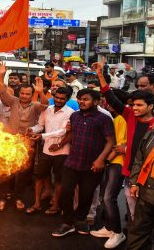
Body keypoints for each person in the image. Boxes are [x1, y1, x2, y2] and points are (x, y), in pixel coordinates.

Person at [95, 61, 154, 222]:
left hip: (150, 179)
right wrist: (100, 75)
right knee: (132, 212)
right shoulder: (130, 115)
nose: (134, 108)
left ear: (150, 106)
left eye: (139, 105)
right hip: (129, 174)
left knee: (148, 215)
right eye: (133, 105)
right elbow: (110, 98)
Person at [52, 89, 115, 237]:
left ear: (96, 101)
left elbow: (111, 141)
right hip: (72, 163)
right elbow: (72, 133)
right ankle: (67, 223)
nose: (81, 101)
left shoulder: (103, 118)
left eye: (85, 99)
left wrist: (101, 160)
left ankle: (80, 220)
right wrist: (60, 145)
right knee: (65, 193)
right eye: (79, 99)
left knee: (86, 196)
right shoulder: (75, 116)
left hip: (92, 166)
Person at [0, 62, 48, 211]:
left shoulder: (35, 105)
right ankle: (3, 198)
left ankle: (18, 197)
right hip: (10, 143)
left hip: (27, 145)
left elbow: (45, 105)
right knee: (6, 172)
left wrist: (41, 92)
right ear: (19, 93)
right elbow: (2, 92)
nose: (24, 96)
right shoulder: (13, 102)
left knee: (23, 174)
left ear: (32, 95)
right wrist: (1, 75)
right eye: (22, 93)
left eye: (28, 94)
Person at [90, 89, 129, 249]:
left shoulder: (121, 119)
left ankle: (118, 232)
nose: (106, 103)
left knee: (108, 198)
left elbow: (117, 145)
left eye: (109, 101)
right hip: (112, 162)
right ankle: (108, 228)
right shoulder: (114, 118)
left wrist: (104, 160)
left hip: (117, 163)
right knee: (106, 196)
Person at [26, 87, 74, 215]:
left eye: (62, 98)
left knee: (58, 180)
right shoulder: (47, 110)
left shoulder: (70, 113)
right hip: (46, 150)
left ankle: (56, 206)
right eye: (57, 97)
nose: (58, 100)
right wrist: (32, 129)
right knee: (40, 177)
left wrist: (42, 136)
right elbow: (40, 126)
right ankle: (36, 204)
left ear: (67, 99)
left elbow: (63, 132)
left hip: (62, 151)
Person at [127, 126, 154, 250]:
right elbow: (139, 159)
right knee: (138, 234)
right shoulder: (152, 134)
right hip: (146, 193)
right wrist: (134, 183)